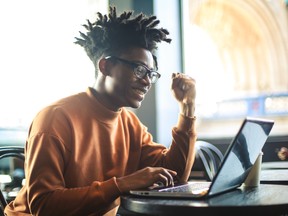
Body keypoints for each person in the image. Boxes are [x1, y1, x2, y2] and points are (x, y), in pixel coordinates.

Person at [4, 6, 197, 216]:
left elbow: (175, 177)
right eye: (139, 69)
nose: (146, 82)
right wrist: (122, 184)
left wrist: (187, 107)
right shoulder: (55, 118)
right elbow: (44, 206)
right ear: (105, 66)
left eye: (151, 74)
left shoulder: (130, 124)